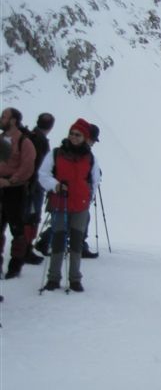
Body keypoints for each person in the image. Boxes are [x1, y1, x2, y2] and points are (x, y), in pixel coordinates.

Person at [37, 118, 97, 292]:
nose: (74, 137)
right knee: (58, 240)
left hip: (80, 205)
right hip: (60, 202)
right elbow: (43, 174)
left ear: (84, 137)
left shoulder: (90, 158)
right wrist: (55, 185)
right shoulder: (57, 153)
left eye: (78, 135)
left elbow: (94, 180)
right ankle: (53, 278)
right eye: (72, 133)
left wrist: (88, 197)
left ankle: (75, 278)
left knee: (77, 243)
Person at [0, 107, 37, 279]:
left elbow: (27, 166)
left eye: (4, 117)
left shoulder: (24, 142)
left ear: (13, 120)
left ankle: (15, 266)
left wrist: (11, 180)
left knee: (17, 228)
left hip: (15, 189)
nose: (1, 119)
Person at [21, 112, 54, 266]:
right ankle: (25, 250)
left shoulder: (29, 136)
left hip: (25, 184)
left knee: (26, 216)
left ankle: (23, 248)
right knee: (32, 218)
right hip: (34, 185)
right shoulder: (40, 141)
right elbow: (40, 166)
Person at [79, 123, 103, 259]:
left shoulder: (78, 151)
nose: (93, 143)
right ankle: (80, 245)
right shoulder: (85, 154)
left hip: (78, 192)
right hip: (81, 192)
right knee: (82, 218)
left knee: (67, 218)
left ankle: (46, 240)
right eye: (93, 140)